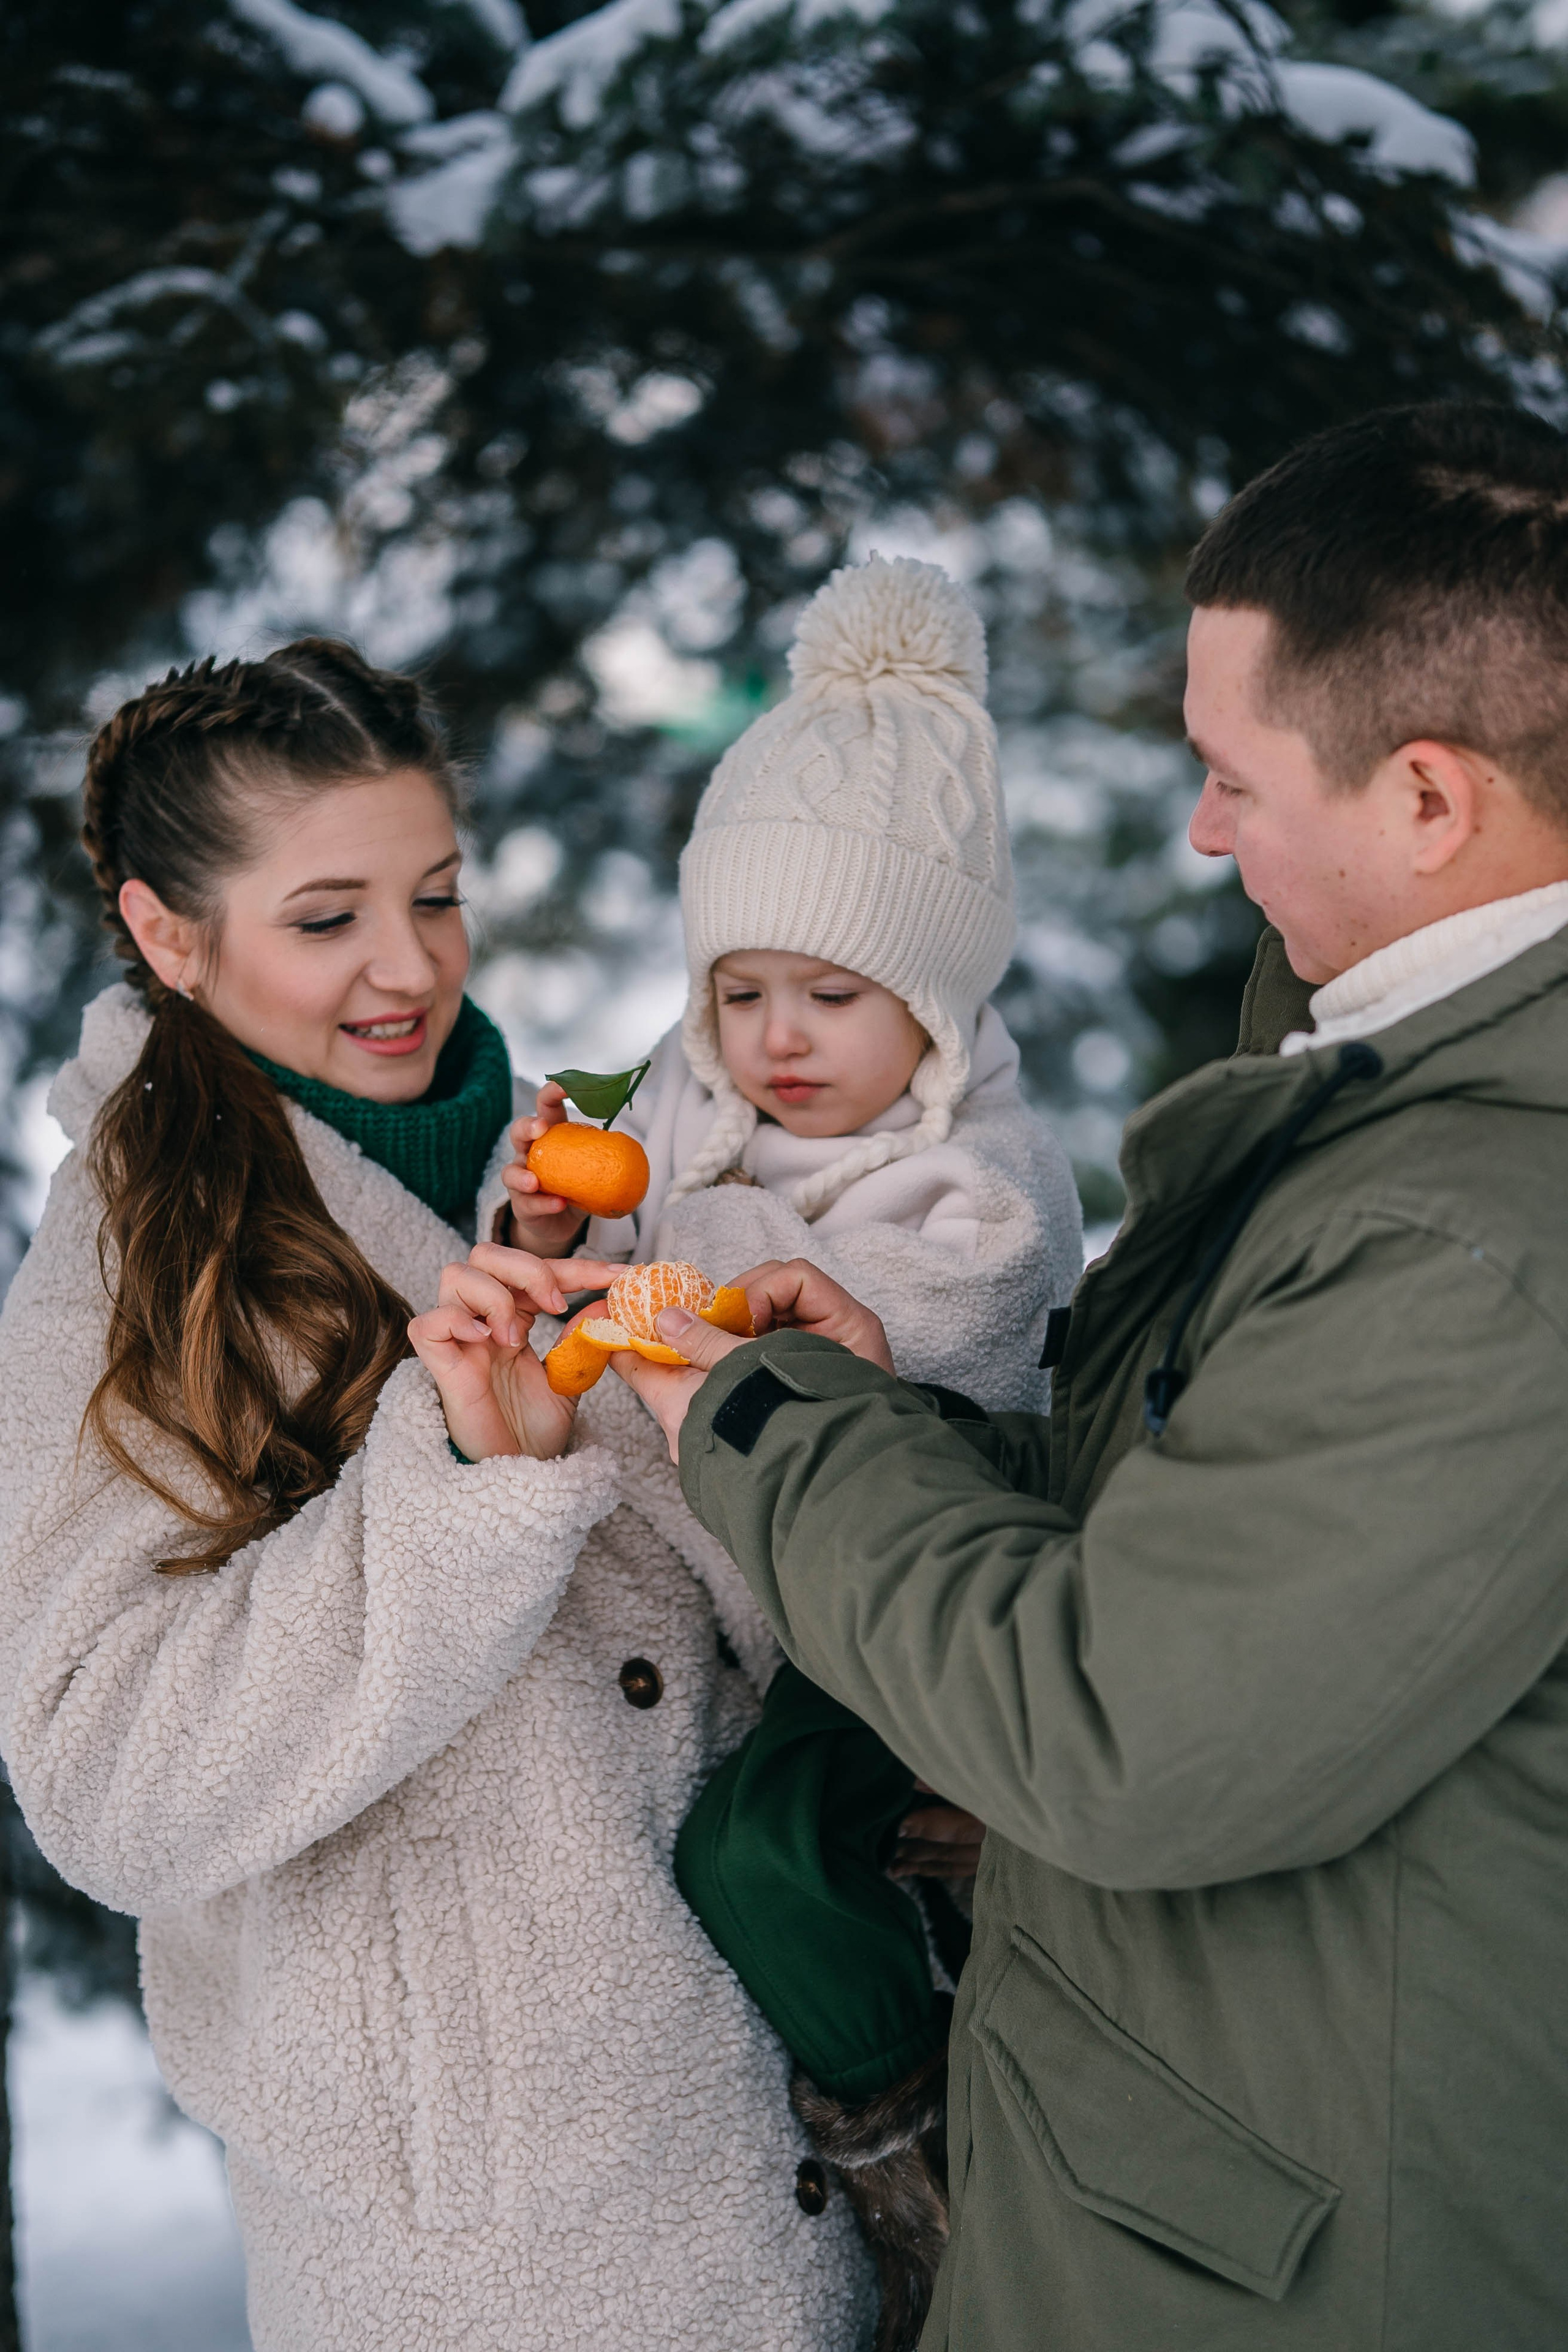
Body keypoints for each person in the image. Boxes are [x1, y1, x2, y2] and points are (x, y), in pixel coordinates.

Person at [601, 402, 1568, 2350]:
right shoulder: (1396, 1108)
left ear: (1433, 800)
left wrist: (763, 1429)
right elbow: (1242, 1527)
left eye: (1235, 776)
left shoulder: (1476, 1231)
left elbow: (1123, 1731)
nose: (1202, 832)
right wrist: (904, 1417)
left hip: (1285, 2274)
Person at [0, 639, 876, 2351]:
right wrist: (464, 1484)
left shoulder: (556, 1170)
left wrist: (791, 1400)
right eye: (326, 920)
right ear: (170, 935)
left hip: (776, 2141)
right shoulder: (127, 1276)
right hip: (498, 2248)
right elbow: (103, 1772)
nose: (407, 968)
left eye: (439, 895)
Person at [500, 554, 1082, 2351]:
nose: (776, 1040)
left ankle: (923, 2152)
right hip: (759, 1603)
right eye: (739, 991)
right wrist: (551, 1208)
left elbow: (937, 1319)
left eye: (831, 995)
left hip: (908, 1606)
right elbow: (602, 1256)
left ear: (933, 1000)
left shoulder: (976, 1174)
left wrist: (723, 1277)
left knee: (762, 1853)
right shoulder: (691, 1106)